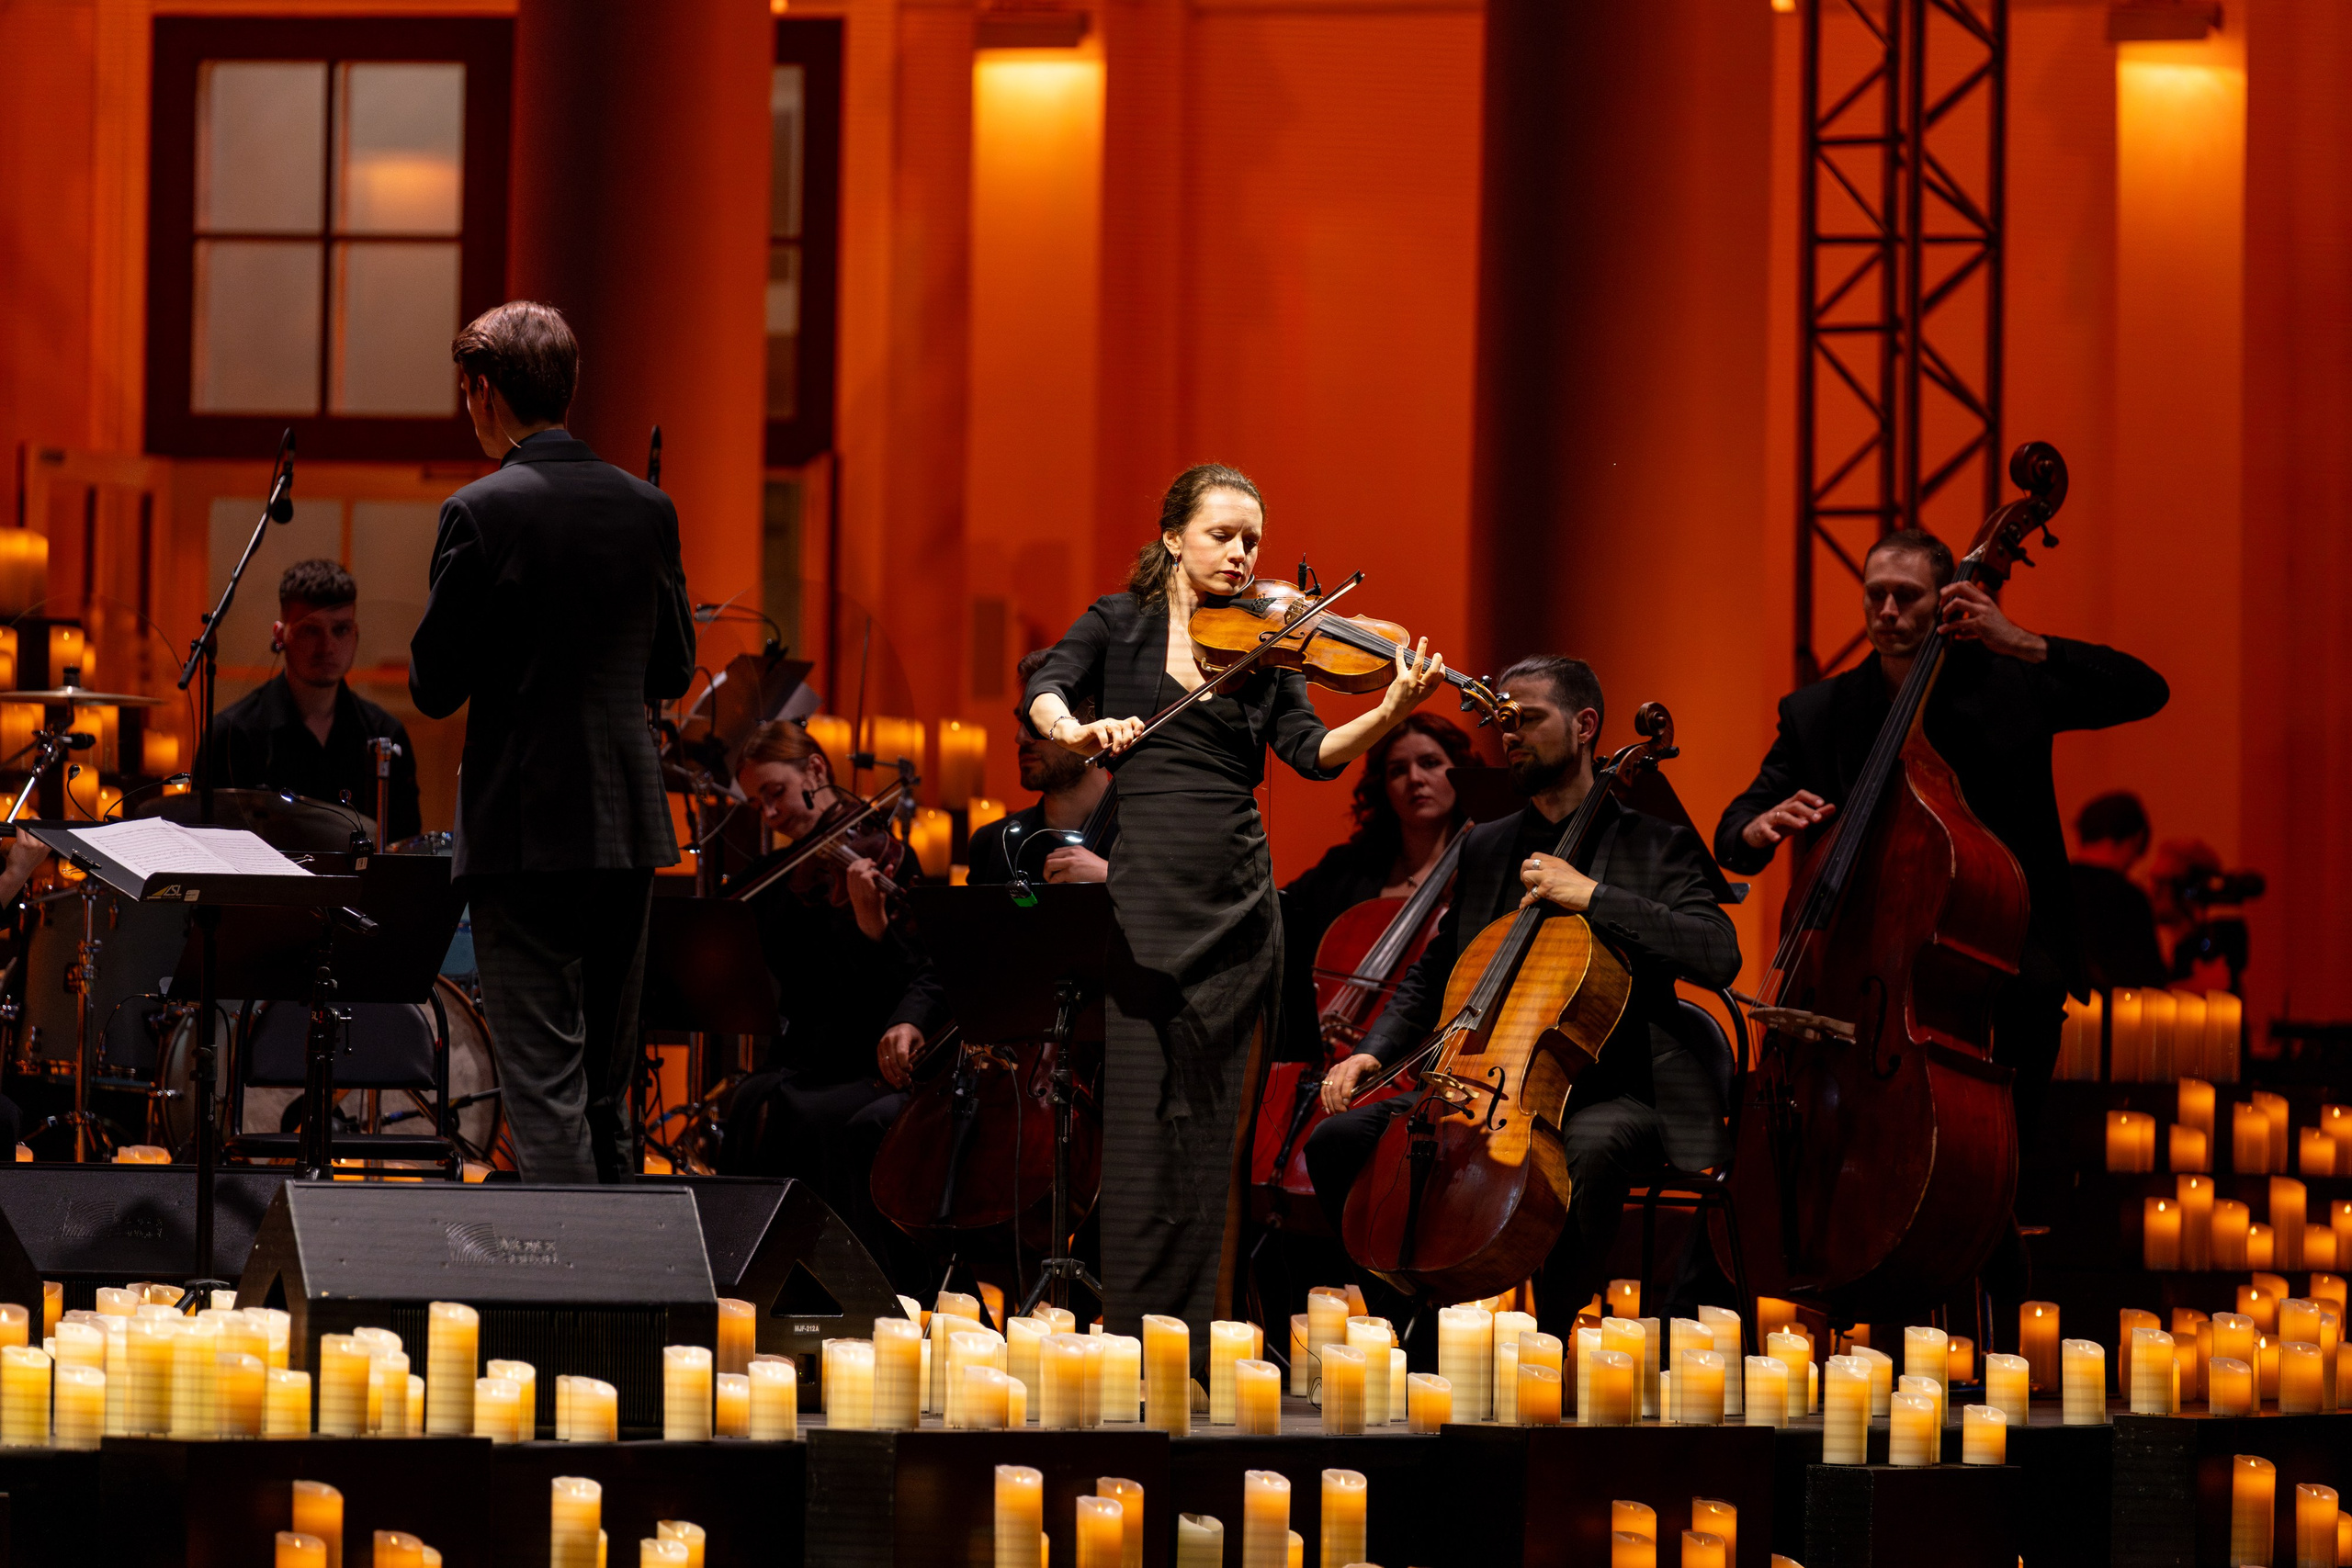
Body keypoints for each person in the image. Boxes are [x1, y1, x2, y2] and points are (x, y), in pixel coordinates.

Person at [1023, 462, 1450, 1362]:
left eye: (1251, 538)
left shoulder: (1272, 638)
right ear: (1174, 536)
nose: (1241, 553)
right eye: (1222, 535)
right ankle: (1135, 1348)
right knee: (1142, 1143)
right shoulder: (1119, 623)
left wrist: (1388, 710)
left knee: (1214, 1154)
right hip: (1144, 913)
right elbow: (1048, 686)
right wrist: (1077, 730)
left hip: (1239, 916)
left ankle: (1202, 1354)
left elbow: (1314, 751)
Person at [1306, 658, 1740, 1335]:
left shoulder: (1655, 845)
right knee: (1340, 1139)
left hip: (1618, 1083)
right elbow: (1436, 968)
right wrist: (1373, 1052)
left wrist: (1592, 895)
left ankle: (1552, 1336)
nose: (1510, 735)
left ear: (1585, 726)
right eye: (1504, 721)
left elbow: (1719, 950)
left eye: (1529, 719)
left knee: (1589, 1149)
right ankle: (1411, 1324)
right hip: (1493, 1077)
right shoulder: (1488, 845)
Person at [1713, 527, 2169, 1141]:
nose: (1888, 611)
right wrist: (1756, 826)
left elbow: (2145, 690)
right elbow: (1733, 835)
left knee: (1998, 1149)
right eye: (1876, 595)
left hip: (2000, 973)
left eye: (1907, 595)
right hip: (1864, 981)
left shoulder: (2012, 685)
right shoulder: (1819, 712)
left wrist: (2025, 643)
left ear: (1948, 600)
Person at [409, 300, 695, 1184]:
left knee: (542, 1088)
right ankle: (628, 1307)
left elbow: (433, 683)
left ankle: (565, 1306)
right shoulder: (649, 508)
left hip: (526, 835)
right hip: (626, 831)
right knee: (609, 1091)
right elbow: (675, 667)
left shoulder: (479, 513)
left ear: (482, 390)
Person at [717, 719, 948, 1284]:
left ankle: (836, 1282)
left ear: (816, 771)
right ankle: (748, 1281)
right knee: (747, 1100)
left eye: (775, 793)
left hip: (865, 1058)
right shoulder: (786, 877)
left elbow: (920, 977)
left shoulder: (891, 858)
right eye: (757, 802)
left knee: (804, 1115)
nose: (769, 814)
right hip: (810, 1054)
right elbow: (796, 976)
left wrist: (873, 931)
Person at [1276, 712, 1475, 1065]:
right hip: (1327, 1057)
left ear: (1459, 772)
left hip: (1426, 1063)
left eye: (1430, 763)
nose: (1415, 779)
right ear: (1383, 786)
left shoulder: (1486, 868)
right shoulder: (1349, 868)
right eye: (1398, 770)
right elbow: (1278, 918)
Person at [201, 558, 421, 842]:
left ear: (355, 635)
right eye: (310, 630)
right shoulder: (232, 735)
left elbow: (403, 854)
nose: (327, 647)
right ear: (280, 635)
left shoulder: (386, 735)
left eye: (340, 629)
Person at [967, 649, 1116, 888]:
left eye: (1037, 725)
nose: (1020, 737)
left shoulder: (1147, 838)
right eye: (1021, 721)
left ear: (1092, 728)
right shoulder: (992, 845)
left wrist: (1113, 878)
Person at [2070, 791, 2169, 991]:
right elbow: (2148, 982)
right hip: (2112, 1015)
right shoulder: (2129, 899)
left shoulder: (2051, 886)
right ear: (2137, 839)